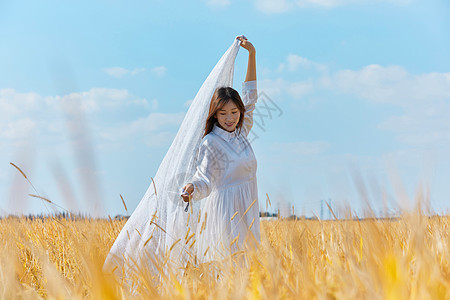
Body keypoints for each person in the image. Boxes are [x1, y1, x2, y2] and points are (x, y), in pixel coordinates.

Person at [181, 35, 260, 263]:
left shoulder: (241, 132)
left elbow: (251, 97)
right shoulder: (211, 142)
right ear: (215, 114)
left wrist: (252, 54)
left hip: (248, 211)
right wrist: (191, 188)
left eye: (234, 112)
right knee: (231, 274)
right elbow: (204, 180)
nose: (229, 118)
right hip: (227, 216)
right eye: (223, 113)